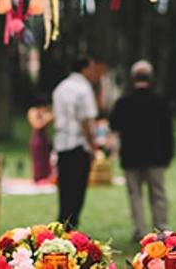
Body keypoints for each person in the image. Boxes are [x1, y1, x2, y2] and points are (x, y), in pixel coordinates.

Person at [109, 60, 174, 241]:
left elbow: (114, 125)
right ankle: (161, 229)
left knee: (135, 194)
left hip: (131, 155)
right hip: (155, 155)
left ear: (132, 78)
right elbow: (167, 131)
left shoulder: (123, 102)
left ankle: (140, 230)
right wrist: (168, 155)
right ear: (151, 78)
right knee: (158, 193)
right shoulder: (160, 102)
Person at [52, 56, 105, 229]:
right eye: (91, 68)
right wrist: (92, 144)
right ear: (83, 69)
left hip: (62, 143)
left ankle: (63, 220)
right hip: (78, 144)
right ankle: (72, 222)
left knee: (65, 186)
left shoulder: (60, 88)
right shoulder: (83, 89)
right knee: (78, 187)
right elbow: (86, 120)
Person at [27, 96, 56, 185]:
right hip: (37, 139)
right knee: (38, 160)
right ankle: (38, 177)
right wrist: (47, 118)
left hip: (45, 138)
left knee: (46, 159)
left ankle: (45, 177)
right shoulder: (33, 112)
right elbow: (36, 125)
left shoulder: (45, 113)